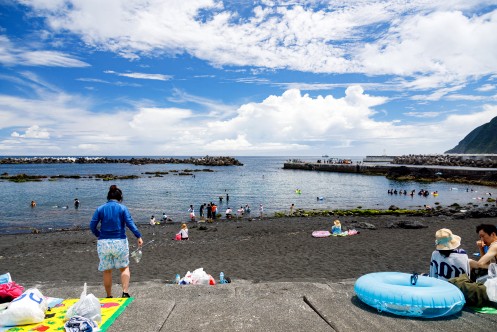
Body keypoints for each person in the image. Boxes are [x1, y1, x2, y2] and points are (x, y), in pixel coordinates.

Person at [90, 185, 143, 298]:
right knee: (124, 268)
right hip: (120, 242)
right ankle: (125, 292)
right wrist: (138, 236)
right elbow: (130, 223)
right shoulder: (122, 208)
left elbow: (92, 226)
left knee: (107, 271)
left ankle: (109, 295)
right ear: (120, 198)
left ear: (108, 197)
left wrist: (99, 235)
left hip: (104, 243)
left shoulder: (100, 209)